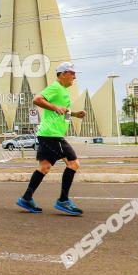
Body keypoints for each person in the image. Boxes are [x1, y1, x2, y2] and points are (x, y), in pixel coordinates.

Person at [16, 62, 85, 216]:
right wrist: (55, 108)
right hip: (51, 134)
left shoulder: (63, 91)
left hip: (48, 134)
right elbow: (37, 100)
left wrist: (74, 114)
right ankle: (63, 200)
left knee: (45, 167)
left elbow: (62, 110)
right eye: (72, 73)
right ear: (63, 74)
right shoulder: (56, 87)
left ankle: (26, 198)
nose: (74, 76)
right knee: (73, 164)